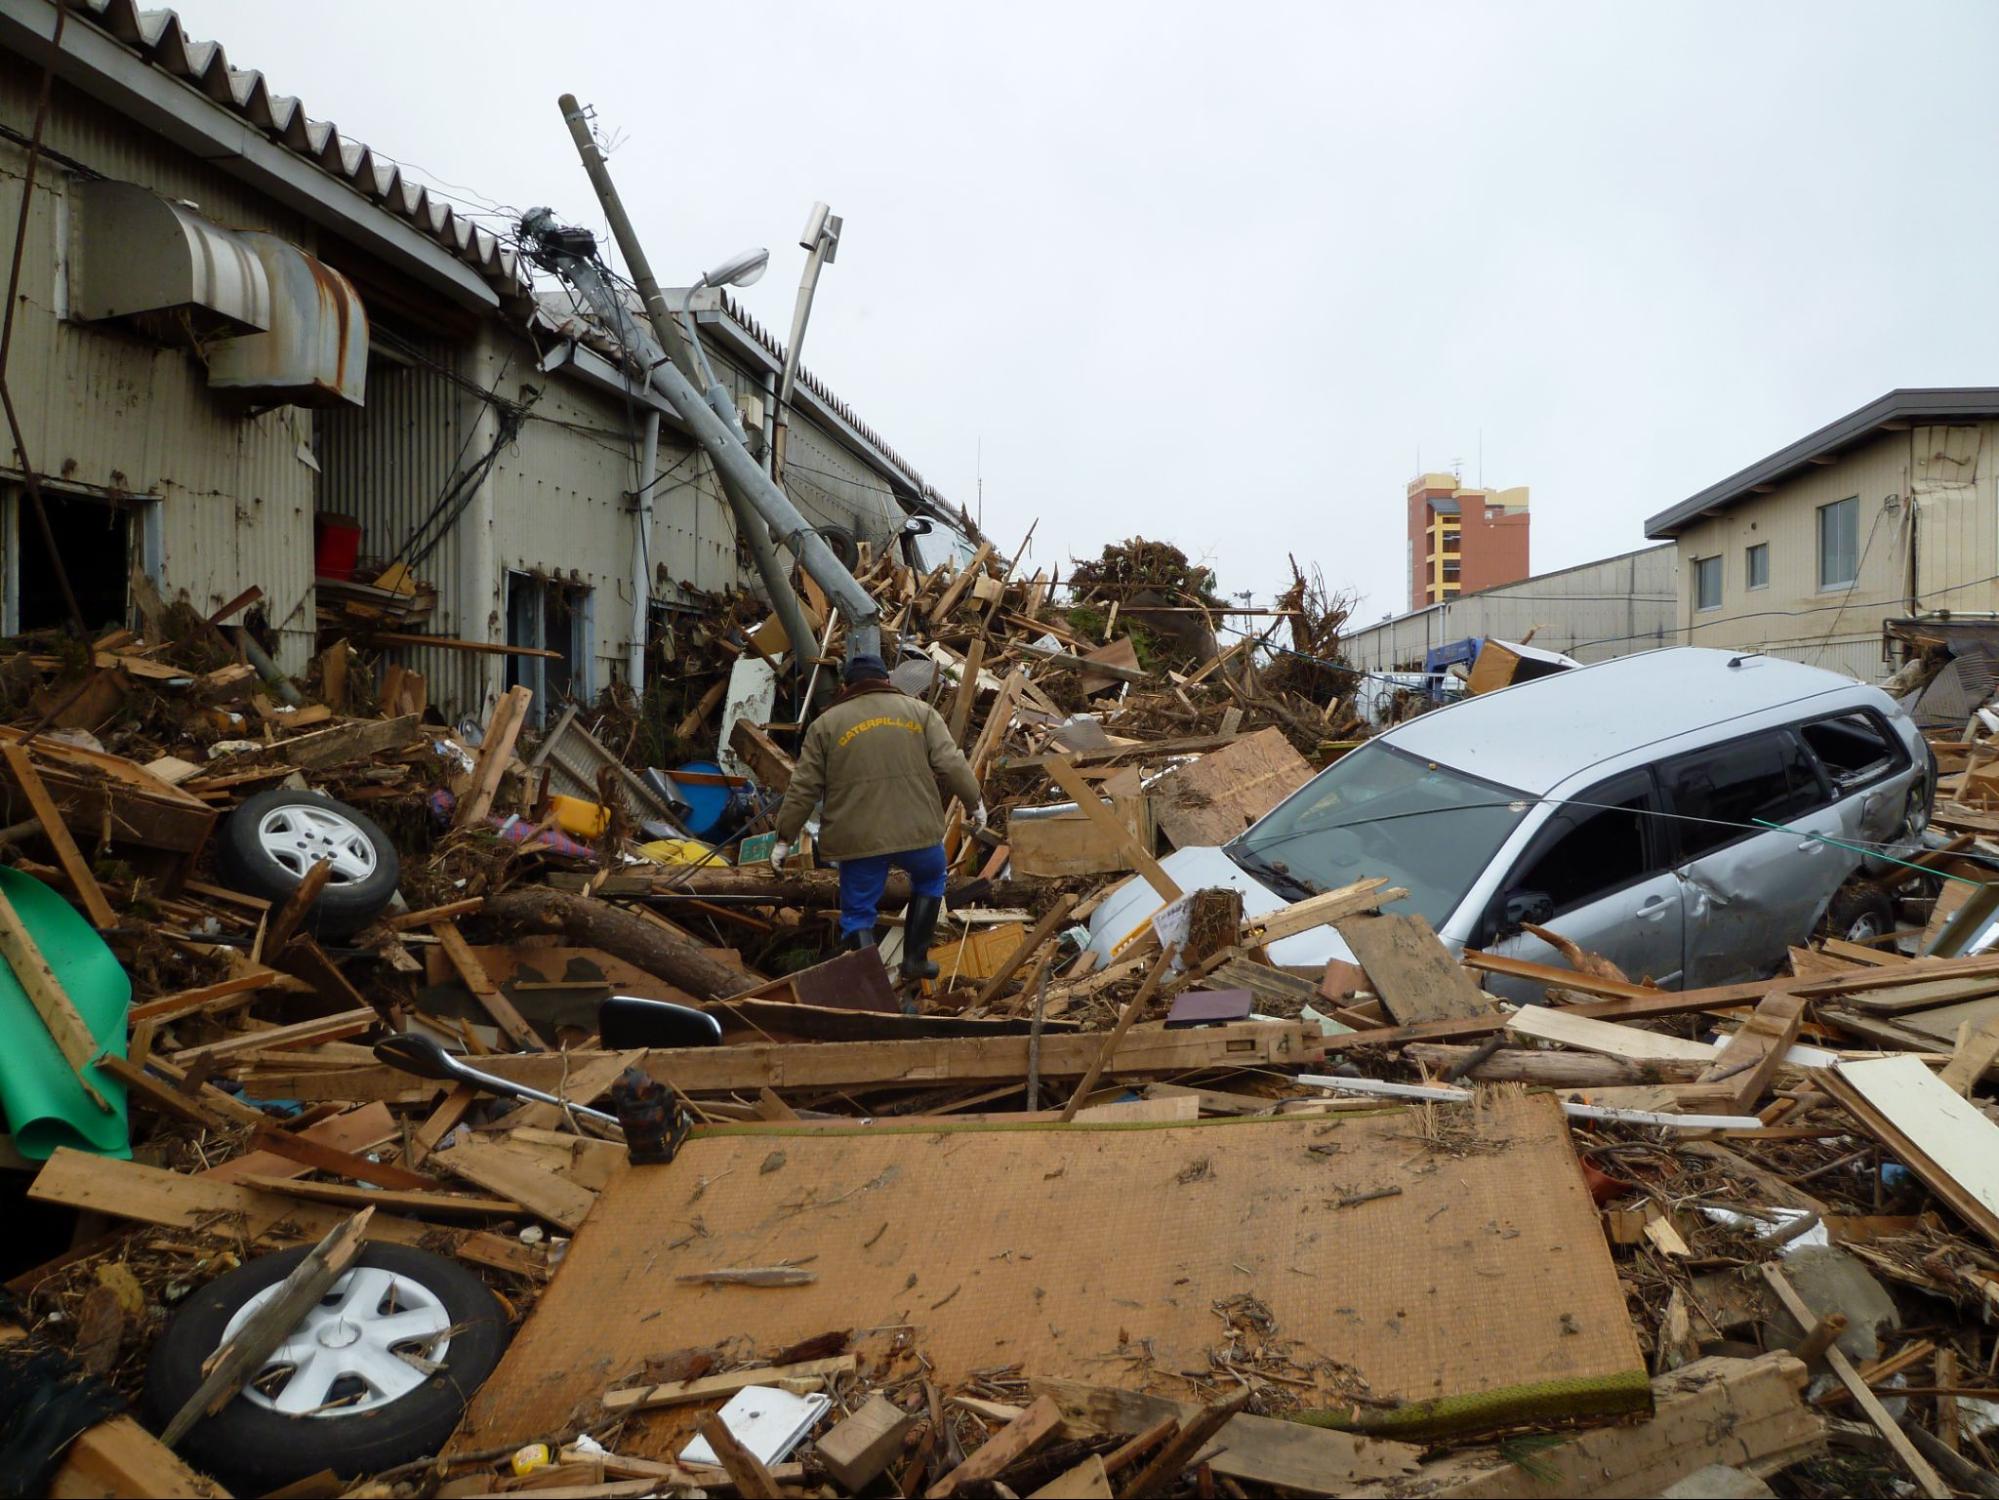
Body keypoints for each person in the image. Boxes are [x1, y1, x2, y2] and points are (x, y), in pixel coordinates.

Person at [770, 653, 985, 981]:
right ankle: (915, 960)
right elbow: (951, 763)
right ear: (887, 680)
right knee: (931, 878)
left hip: (859, 841)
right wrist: (975, 802)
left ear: (846, 686)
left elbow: (803, 788)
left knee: (858, 913)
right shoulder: (920, 712)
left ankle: (872, 984)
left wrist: (784, 838)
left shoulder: (825, 725)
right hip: (917, 832)